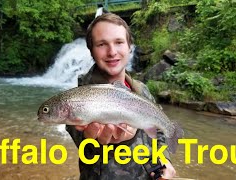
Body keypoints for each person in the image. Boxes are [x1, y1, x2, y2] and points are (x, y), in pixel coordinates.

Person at [66, 13, 176, 180]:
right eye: (102, 44)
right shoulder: (77, 101)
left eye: (119, 42)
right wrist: (121, 140)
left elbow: (159, 130)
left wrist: (164, 159)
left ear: (129, 46)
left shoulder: (142, 89)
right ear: (91, 50)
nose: (112, 52)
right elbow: (87, 148)